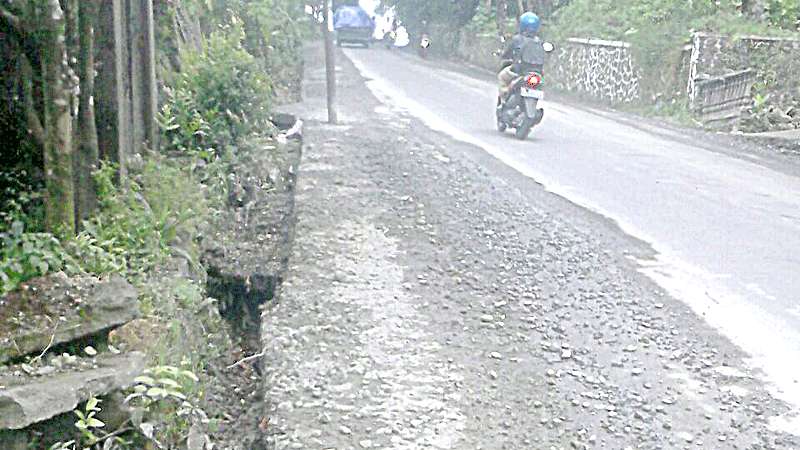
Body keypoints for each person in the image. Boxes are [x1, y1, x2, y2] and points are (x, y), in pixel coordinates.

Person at [497, 12, 545, 101]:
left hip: (520, 71)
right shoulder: (539, 42)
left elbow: (507, 53)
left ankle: (504, 96)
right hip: (537, 72)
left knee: (502, 76)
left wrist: (502, 55)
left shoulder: (517, 39)